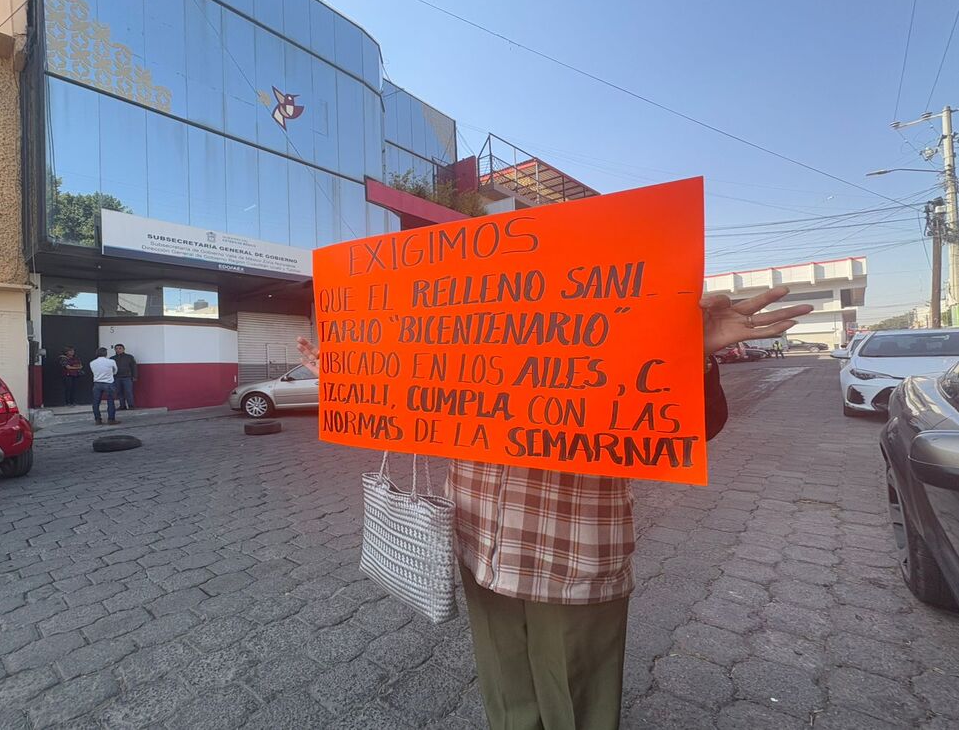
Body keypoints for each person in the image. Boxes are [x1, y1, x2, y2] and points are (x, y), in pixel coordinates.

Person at [296, 286, 812, 730]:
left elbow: (694, 427)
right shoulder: (457, 345)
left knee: (578, 701)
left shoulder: (608, 340)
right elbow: (401, 405)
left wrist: (690, 356)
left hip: (571, 556)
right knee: (506, 694)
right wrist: (347, 375)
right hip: (481, 549)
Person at [88, 347, 119, 425]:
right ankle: (111, 419)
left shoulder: (92, 362)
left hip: (97, 383)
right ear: (105, 353)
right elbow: (115, 371)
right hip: (108, 383)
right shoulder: (111, 361)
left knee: (96, 402)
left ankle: (98, 420)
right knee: (110, 401)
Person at [113, 344, 138, 410]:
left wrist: (135, 376)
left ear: (123, 349)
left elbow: (134, 367)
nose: (118, 350)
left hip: (127, 377)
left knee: (128, 392)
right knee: (119, 392)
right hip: (117, 377)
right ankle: (122, 406)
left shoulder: (129, 357)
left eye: (120, 348)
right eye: (116, 348)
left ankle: (131, 405)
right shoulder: (112, 358)